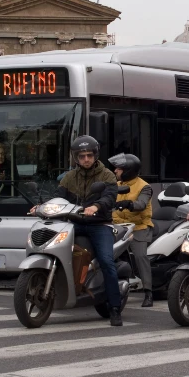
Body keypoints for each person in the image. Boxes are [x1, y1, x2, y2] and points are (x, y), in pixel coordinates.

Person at [33, 135, 122, 326]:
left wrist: (96, 207)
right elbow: (58, 198)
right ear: (76, 158)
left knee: (107, 262)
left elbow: (109, 197)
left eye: (89, 155)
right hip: (74, 223)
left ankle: (115, 308)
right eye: (82, 156)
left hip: (100, 224)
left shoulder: (106, 175)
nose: (86, 159)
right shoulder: (69, 177)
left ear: (95, 155)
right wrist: (42, 207)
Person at [109, 153, 154, 308]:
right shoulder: (116, 184)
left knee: (140, 256)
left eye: (118, 168)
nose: (115, 171)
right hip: (117, 226)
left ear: (128, 170)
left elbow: (141, 204)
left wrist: (129, 204)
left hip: (138, 227)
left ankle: (148, 292)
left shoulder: (144, 187)